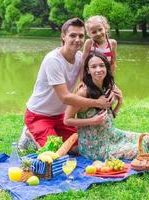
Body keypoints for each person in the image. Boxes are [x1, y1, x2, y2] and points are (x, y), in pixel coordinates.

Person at [22, 18, 115, 152]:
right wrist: (97, 102)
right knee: (55, 153)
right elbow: (65, 97)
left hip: (60, 116)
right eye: (72, 35)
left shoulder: (80, 58)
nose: (77, 39)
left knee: (82, 147)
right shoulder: (53, 60)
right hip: (39, 115)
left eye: (81, 36)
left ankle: (47, 134)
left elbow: (96, 76)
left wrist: (112, 88)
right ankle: (29, 133)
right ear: (63, 36)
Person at [64, 52, 149, 160]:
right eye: (93, 67)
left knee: (147, 138)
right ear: (88, 70)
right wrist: (92, 121)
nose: (98, 70)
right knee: (138, 150)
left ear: (107, 67)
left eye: (101, 65)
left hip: (112, 135)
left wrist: (119, 103)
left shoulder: (107, 87)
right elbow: (67, 120)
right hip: (95, 146)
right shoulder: (83, 93)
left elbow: (109, 117)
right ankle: (81, 150)